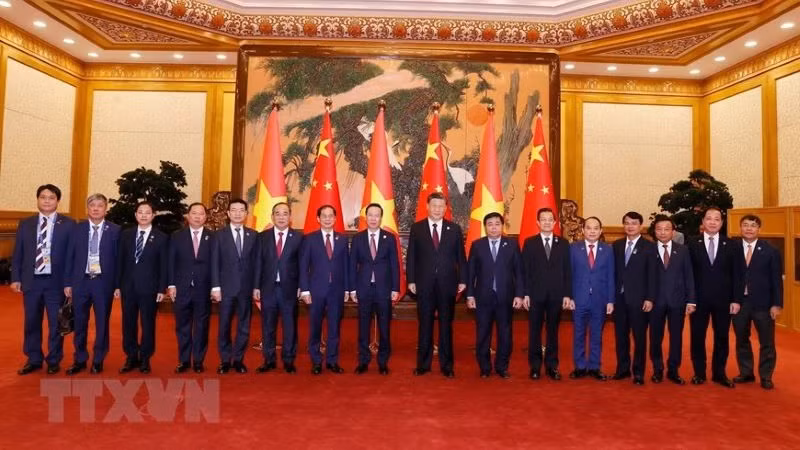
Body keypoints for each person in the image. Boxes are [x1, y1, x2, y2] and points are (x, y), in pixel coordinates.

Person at [11, 184, 75, 375]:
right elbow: (18, 252)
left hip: (56, 282)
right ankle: (34, 359)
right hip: (32, 281)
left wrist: (69, 282)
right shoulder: (26, 223)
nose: (47, 201)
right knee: (31, 322)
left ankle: (54, 360)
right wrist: (15, 277)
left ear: (58, 201)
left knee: (56, 323)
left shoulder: (69, 224)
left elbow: (72, 256)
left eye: (51, 198)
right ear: (38, 199)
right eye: (43, 197)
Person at [406, 192, 467, 378]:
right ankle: (423, 365)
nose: (437, 209)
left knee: (446, 325)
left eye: (441, 206)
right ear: (427, 206)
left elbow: (461, 257)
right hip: (424, 284)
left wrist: (463, 280)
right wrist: (411, 280)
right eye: (434, 206)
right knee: (424, 325)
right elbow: (411, 257)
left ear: (446, 208)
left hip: (447, 284)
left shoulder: (454, 229)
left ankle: (447, 366)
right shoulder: (417, 228)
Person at [64, 194, 120, 375]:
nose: (96, 209)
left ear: (106, 209)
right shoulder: (77, 229)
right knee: (80, 322)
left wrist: (117, 285)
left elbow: (119, 260)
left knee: (102, 323)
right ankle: (80, 359)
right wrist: (67, 283)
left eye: (100, 205)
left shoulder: (115, 230)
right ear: (87, 209)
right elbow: (69, 257)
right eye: (92, 205)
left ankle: (98, 359)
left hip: (103, 283)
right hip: (81, 282)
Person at [466, 212, 523, 378]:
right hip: (482, 297)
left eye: (497, 224)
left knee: (505, 334)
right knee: (483, 333)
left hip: (506, 297)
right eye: (490, 224)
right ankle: (484, 367)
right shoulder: (477, 245)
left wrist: (519, 295)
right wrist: (470, 295)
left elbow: (519, 273)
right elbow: (471, 273)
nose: (493, 227)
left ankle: (502, 367)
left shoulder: (512, 244)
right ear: (485, 227)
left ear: (502, 226)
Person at [687, 207, 738, 388]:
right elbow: (687, 274)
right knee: (697, 336)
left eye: (717, 219)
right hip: (698, 300)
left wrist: (736, 299)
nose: (712, 222)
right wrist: (689, 299)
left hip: (724, 300)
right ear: (703, 221)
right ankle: (699, 373)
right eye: (709, 218)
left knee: (722, 337)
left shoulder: (731, 244)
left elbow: (737, 274)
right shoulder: (692, 243)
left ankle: (719, 373)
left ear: (722, 223)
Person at [115, 201, 168, 374]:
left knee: (148, 323)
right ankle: (131, 356)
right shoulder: (126, 235)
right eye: (140, 212)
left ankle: (145, 357)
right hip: (128, 287)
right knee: (128, 323)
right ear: (135, 215)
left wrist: (161, 289)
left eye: (147, 212)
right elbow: (120, 261)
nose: (143, 215)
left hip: (150, 288)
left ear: (153, 215)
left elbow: (164, 265)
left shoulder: (161, 237)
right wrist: (117, 285)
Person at [732, 215, 783, 390]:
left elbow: (776, 280)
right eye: (745, 225)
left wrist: (776, 304)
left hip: (763, 303)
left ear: (759, 229)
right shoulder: (733, 249)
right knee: (741, 339)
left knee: (767, 341)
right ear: (740, 228)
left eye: (753, 226)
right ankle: (746, 372)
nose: (749, 229)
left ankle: (766, 376)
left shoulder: (771, 251)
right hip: (739, 303)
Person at [522, 207, 572, 380]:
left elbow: (568, 271)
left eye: (550, 219)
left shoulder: (563, 243)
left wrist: (567, 294)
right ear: (538, 222)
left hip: (556, 295)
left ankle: (552, 366)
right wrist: (525, 293)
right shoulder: (530, 243)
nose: (547, 222)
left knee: (553, 331)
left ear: (555, 222)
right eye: (543, 219)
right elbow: (525, 271)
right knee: (534, 331)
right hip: (535, 295)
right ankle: (535, 366)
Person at [350, 203, 400, 375]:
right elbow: (352, 265)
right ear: (366, 217)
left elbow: (394, 265)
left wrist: (395, 288)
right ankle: (363, 361)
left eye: (376, 215)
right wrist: (352, 289)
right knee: (363, 327)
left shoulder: (389, 238)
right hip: (363, 288)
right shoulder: (358, 238)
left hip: (384, 289)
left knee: (384, 327)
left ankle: (383, 362)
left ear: (381, 218)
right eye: (370, 215)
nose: (373, 218)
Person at [300, 205, 351, 375]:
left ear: (335, 219)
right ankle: (316, 361)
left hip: (336, 290)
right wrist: (305, 290)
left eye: (331, 216)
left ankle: (332, 361)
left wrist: (347, 289)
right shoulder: (309, 239)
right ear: (318, 219)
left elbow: (346, 266)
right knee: (315, 327)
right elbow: (303, 266)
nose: (327, 219)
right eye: (324, 216)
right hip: (315, 291)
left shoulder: (342, 239)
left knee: (334, 327)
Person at [253, 202, 303, 374]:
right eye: (278, 213)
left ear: (290, 217)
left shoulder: (298, 237)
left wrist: (301, 286)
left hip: (290, 289)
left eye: (285, 213)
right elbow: (258, 263)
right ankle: (269, 360)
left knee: (289, 326)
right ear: (272, 216)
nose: (281, 217)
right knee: (268, 325)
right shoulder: (262, 237)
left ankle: (289, 360)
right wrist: (256, 286)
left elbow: (302, 265)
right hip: (268, 288)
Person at [211, 198, 258, 374]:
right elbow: (215, 262)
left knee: (244, 326)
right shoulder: (219, 235)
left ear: (246, 214)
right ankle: (225, 360)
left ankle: (238, 359)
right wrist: (215, 287)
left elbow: (257, 264)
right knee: (224, 325)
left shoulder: (253, 235)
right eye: (234, 210)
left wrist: (256, 286)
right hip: (225, 288)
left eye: (241, 210)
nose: (238, 213)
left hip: (246, 288)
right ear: (228, 213)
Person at [167, 202, 215, 374]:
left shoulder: (212, 237)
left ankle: (199, 360)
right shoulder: (176, 236)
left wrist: (215, 286)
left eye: (201, 214)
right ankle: (184, 360)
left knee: (202, 326)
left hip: (204, 288)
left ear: (206, 217)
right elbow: (171, 262)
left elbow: (216, 264)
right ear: (188, 216)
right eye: (194, 213)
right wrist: (171, 284)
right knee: (182, 326)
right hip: (182, 288)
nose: (197, 216)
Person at [611, 211, 657, 385]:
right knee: (620, 336)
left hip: (640, 300)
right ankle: (622, 369)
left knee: (639, 338)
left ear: (641, 226)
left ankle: (638, 372)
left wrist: (650, 298)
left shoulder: (649, 247)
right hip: (619, 300)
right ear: (623, 225)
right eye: (627, 223)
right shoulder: (616, 245)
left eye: (634, 223)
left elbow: (652, 275)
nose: (630, 226)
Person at [649, 215, 694, 385]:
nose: (663, 232)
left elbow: (689, 276)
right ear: (655, 231)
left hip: (677, 301)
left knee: (676, 337)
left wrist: (691, 300)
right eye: (659, 229)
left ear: (673, 232)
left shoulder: (682, 250)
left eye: (667, 229)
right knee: (655, 337)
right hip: (655, 302)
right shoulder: (648, 250)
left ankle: (673, 370)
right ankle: (657, 369)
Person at [568, 216, 615, 381]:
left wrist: (610, 300)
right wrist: (569, 297)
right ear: (583, 230)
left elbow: (611, 276)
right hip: (578, 299)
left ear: (601, 231)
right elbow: (568, 275)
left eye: (596, 228)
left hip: (599, 300)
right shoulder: (573, 248)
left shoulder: (608, 250)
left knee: (596, 335)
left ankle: (595, 367)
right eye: (588, 228)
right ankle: (580, 367)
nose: (592, 231)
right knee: (578, 334)